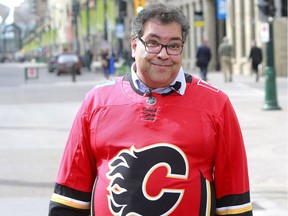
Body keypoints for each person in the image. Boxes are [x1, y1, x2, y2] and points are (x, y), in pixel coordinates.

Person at [48, 3, 252, 216]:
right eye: (153, 43)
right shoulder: (97, 102)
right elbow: (69, 202)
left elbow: (234, 204)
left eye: (174, 45)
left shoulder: (216, 104)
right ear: (134, 45)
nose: (163, 54)